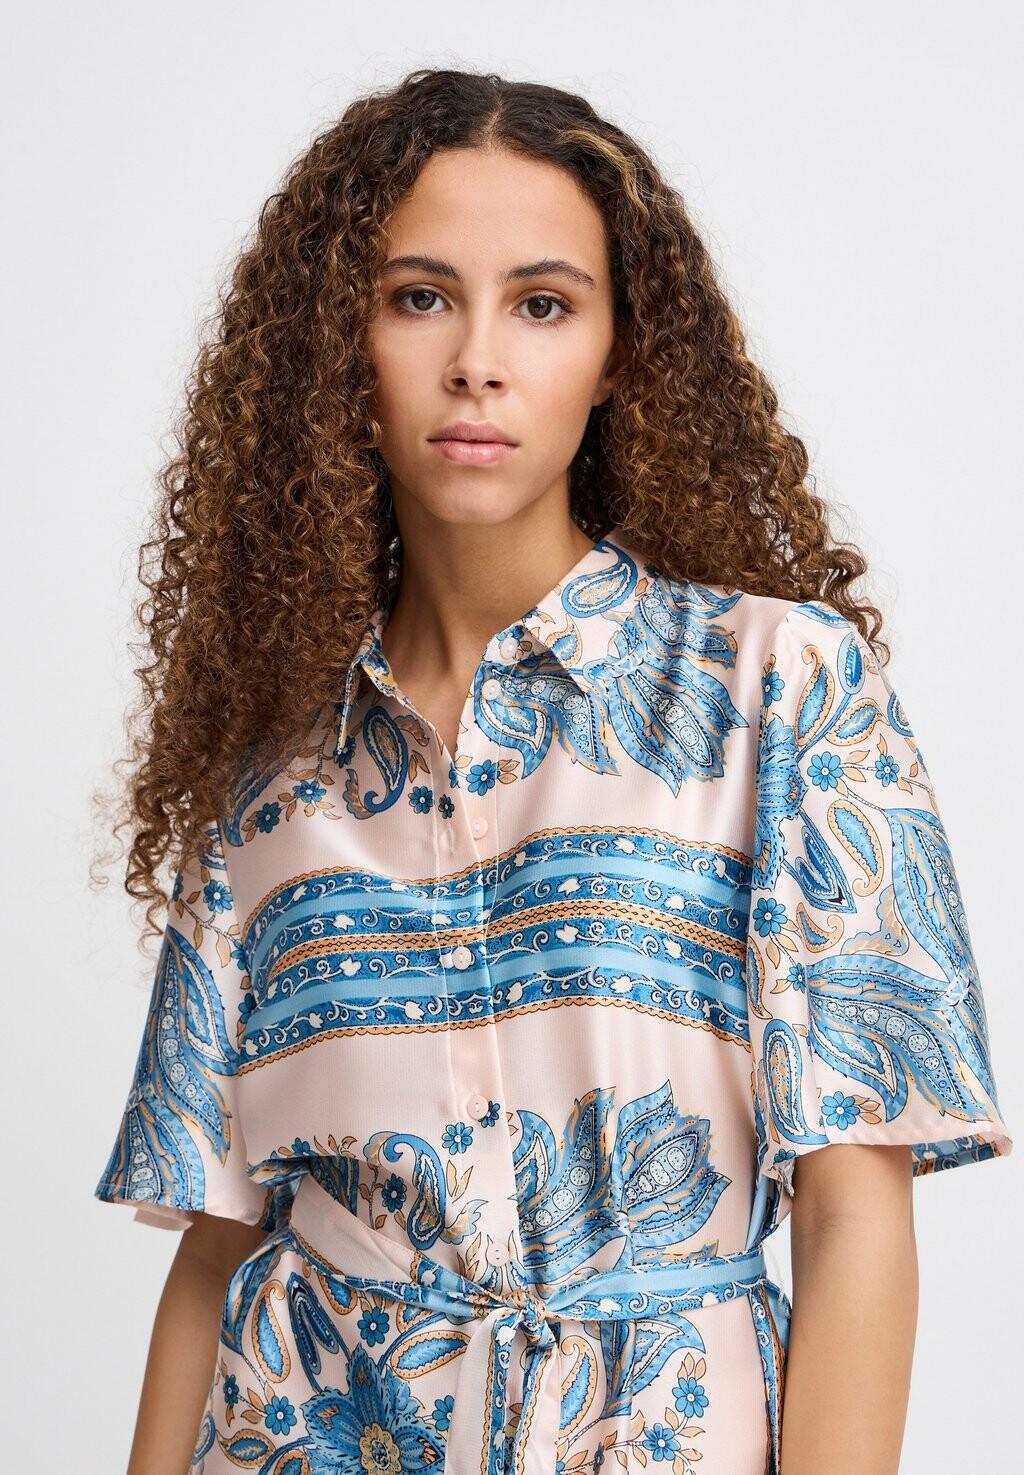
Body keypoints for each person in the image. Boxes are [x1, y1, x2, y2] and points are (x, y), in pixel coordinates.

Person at [92, 66, 1013, 1475]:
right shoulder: (270, 782)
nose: (478, 360)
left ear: (619, 353)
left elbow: (854, 1214)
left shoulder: (777, 690)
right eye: (419, 298)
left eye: (541, 304)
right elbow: (218, 1252)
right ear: (342, 346)